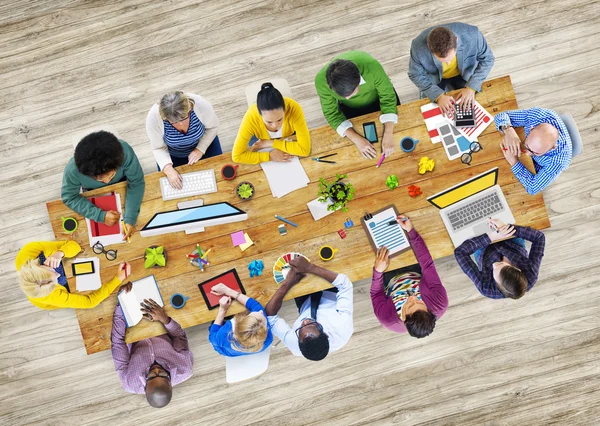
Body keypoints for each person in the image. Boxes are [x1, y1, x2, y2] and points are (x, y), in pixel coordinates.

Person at [370, 215, 448, 337]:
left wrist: (377, 271)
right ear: (429, 311)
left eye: (410, 305)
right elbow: (427, 265)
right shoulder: (440, 303)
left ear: (404, 319)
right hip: (416, 270)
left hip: (387, 278)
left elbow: (376, 294)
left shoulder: (388, 319)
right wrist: (411, 231)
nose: (412, 298)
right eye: (420, 303)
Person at [111, 294, 193, 408]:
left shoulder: (129, 381)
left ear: (145, 386)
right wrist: (165, 319)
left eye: (152, 375)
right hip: (160, 317)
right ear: (170, 382)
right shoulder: (184, 368)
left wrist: (122, 305)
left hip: (131, 325)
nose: (156, 369)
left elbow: (117, 343)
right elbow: (179, 336)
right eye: (163, 374)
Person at [314, 50, 400, 159]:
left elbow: (387, 96)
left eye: (351, 93)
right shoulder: (320, 82)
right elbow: (331, 113)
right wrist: (356, 139)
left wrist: (388, 133)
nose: (347, 98)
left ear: (358, 79)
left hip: (381, 101)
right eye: (342, 96)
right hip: (350, 109)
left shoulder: (372, 66)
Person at [265, 257, 353, 361]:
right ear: (325, 334)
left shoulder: (295, 344)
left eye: (301, 327)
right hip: (331, 290)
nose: (305, 321)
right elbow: (345, 285)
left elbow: (269, 316)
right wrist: (310, 267)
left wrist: (287, 283)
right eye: (312, 324)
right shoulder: (341, 326)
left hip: (304, 301)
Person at [62, 131, 145, 240]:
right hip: (92, 190)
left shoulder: (125, 152)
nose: (106, 181)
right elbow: (69, 197)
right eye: (99, 178)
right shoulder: (72, 170)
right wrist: (100, 216)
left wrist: (130, 218)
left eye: (111, 175)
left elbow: (136, 182)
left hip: (123, 181)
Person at [408, 23, 495, 116]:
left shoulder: (474, 35)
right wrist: (438, 96)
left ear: (456, 41)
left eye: (450, 58)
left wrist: (471, 87)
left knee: (476, 104)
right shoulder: (417, 47)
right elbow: (414, 74)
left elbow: (488, 59)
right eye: (442, 60)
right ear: (430, 49)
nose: (448, 63)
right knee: (429, 111)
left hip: (465, 73)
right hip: (435, 77)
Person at [15, 240, 130, 309]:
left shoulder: (29, 251)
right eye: (56, 282)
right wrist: (118, 278)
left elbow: (74, 246)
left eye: (52, 271)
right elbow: (90, 302)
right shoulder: (52, 296)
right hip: (53, 298)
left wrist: (60, 253)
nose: (58, 275)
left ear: (39, 265)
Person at [454, 218, 546, 299]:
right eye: (500, 264)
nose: (494, 264)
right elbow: (539, 238)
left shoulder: (486, 288)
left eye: (494, 270)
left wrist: (491, 237)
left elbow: (460, 252)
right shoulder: (530, 274)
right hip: (512, 242)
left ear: (496, 284)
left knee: (470, 223)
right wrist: (506, 228)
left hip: (484, 251)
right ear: (517, 269)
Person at [146, 91, 222, 189]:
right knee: (176, 189)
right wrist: (168, 169)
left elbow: (213, 127)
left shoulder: (201, 104)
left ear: (190, 108)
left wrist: (200, 149)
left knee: (219, 180)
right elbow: (158, 148)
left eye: (184, 118)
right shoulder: (153, 118)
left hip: (205, 144)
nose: (181, 124)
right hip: (173, 155)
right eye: (174, 122)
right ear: (165, 118)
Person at [495, 107, 572, 195]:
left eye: (535, 152)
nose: (527, 153)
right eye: (527, 145)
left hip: (538, 169)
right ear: (531, 129)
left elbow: (532, 188)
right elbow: (501, 116)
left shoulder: (558, 162)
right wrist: (508, 130)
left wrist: (514, 162)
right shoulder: (537, 116)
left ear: (552, 148)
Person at [232, 82, 311, 164]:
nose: (275, 126)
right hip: (259, 139)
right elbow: (237, 156)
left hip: (286, 136)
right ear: (259, 115)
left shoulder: (294, 108)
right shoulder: (251, 117)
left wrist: (271, 143)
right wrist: (269, 156)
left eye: (280, 120)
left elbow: (305, 150)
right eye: (269, 122)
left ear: (285, 110)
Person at [208, 283, 272, 357]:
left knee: (213, 324)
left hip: (224, 350)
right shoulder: (267, 339)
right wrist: (227, 291)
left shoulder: (223, 334)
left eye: (251, 314)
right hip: (238, 351)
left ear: (238, 323)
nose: (261, 312)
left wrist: (222, 309)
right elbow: (256, 306)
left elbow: (212, 336)